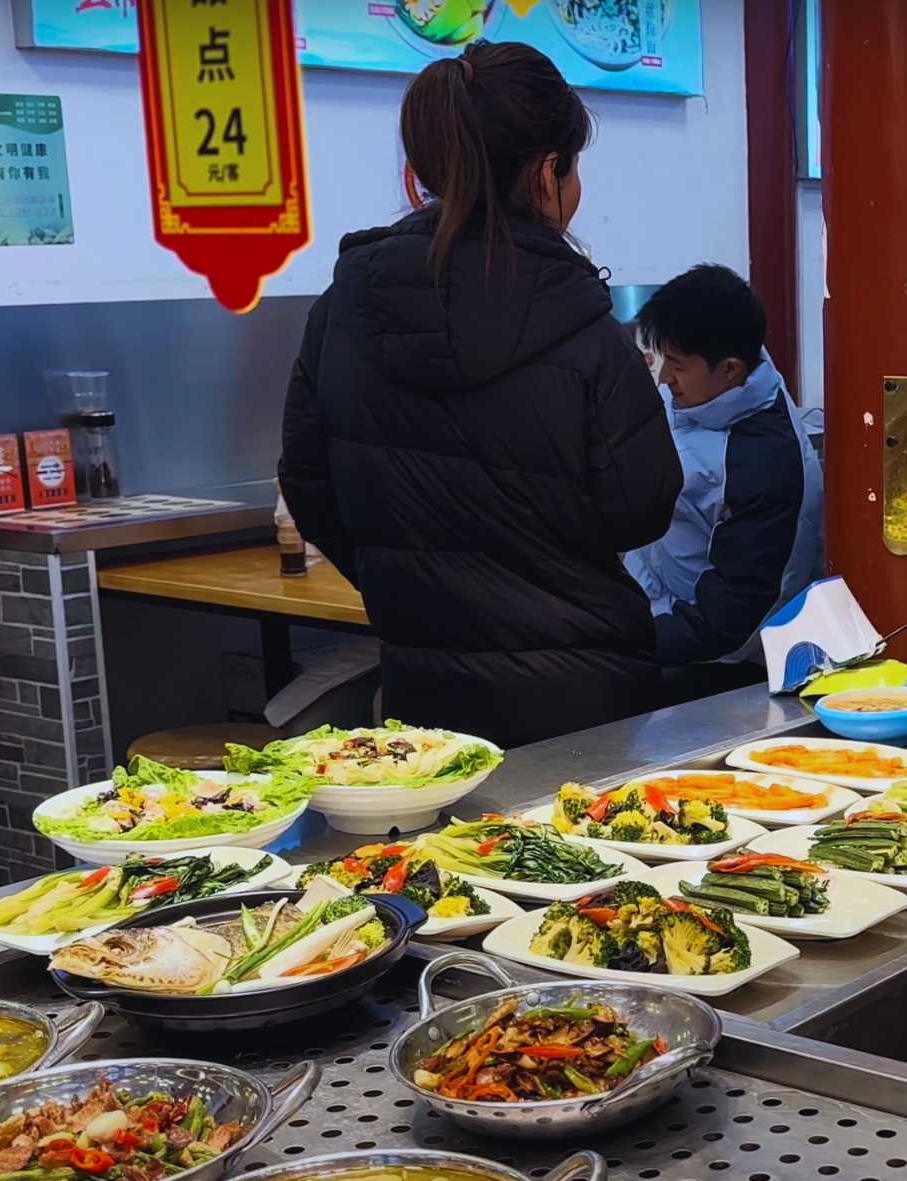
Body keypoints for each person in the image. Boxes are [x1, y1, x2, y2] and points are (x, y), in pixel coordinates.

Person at [278, 42, 682, 746]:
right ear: (547, 171)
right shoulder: (587, 326)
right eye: (573, 166)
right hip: (585, 693)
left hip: (422, 693)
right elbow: (640, 508)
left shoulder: (343, 308)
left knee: (444, 854)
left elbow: (310, 488)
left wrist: (412, 584)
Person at [625, 263, 825, 694]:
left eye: (675, 365)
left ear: (731, 369)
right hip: (643, 600)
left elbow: (733, 622)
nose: (662, 379)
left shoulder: (766, 465)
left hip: (711, 659)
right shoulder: (704, 389)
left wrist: (621, 641)